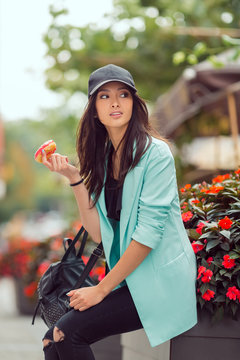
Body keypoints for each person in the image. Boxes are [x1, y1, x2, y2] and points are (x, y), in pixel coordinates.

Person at [41, 64, 197, 359]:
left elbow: (148, 235)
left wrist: (100, 290)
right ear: (94, 111)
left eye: (123, 94)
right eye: (104, 96)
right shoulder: (102, 159)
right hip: (130, 279)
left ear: (134, 105)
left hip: (158, 281)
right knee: (52, 339)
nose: (115, 102)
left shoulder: (156, 154)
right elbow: (100, 232)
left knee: (66, 333)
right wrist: (75, 179)